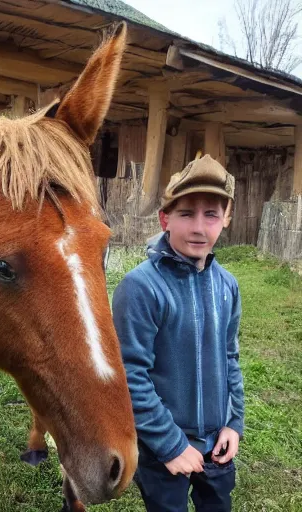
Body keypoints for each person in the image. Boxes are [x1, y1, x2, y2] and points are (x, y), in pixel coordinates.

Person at [113, 154, 244, 511]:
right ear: (165, 219)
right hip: (162, 449)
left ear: (226, 219)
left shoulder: (227, 287)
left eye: (211, 214)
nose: (199, 228)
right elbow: (130, 375)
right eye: (186, 214)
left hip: (217, 443)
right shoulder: (140, 288)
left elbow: (230, 356)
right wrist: (171, 445)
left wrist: (233, 423)